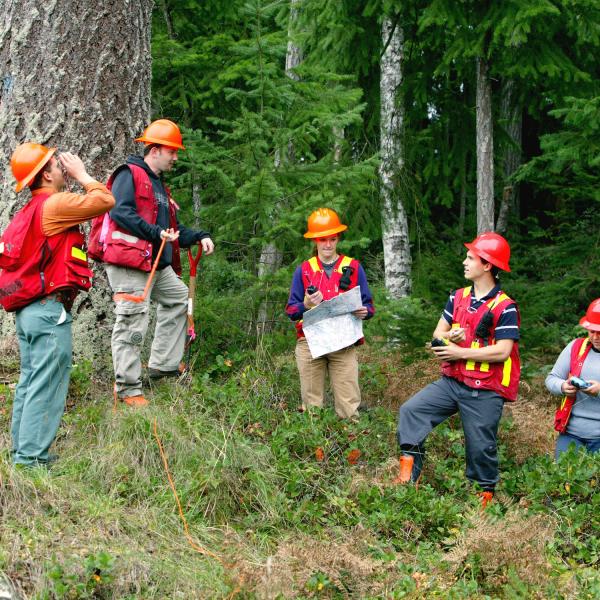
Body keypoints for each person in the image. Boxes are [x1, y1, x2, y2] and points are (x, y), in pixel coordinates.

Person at [0, 142, 115, 467]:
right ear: (45, 175)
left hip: (28, 312)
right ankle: (32, 461)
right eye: (55, 164)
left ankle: (22, 455)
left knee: (30, 383)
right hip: (47, 312)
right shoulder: (54, 205)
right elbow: (105, 200)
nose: (62, 167)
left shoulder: (27, 212)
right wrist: (82, 174)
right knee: (47, 384)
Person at [89, 119, 214, 407]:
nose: (175, 157)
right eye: (172, 151)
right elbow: (119, 212)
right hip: (130, 262)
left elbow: (173, 230)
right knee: (133, 319)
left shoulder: (160, 187)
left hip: (156, 265)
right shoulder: (128, 174)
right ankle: (128, 389)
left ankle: (162, 364)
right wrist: (155, 233)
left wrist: (200, 236)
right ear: (155, 149)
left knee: (180, 299)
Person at [395, 232, 520, 506]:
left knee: (479, 447)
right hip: (452, 382)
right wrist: (451, 337)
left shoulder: (505, 306)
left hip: (485, 390)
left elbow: (503, 351)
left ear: (487, 265)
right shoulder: (458, 297)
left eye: (470, 257)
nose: (464, 262)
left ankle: (482, 502)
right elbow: (436, 336)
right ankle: (407, 480)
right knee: (411, 411)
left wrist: (460, 351)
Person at [285, 208, 374, 419]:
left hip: (344, 342)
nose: (327, 244)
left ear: (338, 239)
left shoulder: (353, 266)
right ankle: (313, 446)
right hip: (309, 342)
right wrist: (306, 304)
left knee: (349, 405)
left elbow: (369, 306)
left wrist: (365, 311)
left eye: (332, 239)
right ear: (315, 240)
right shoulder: (304, 270)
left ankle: (350, 445)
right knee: (311, 404)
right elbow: (291, 310)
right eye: (323, 239)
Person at [545, 298, 600, 459]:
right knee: (564, 481)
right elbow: (551, 379)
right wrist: (563, 386)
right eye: (592, 332)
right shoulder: (576, 347)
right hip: (571, 434)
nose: (596, 337)